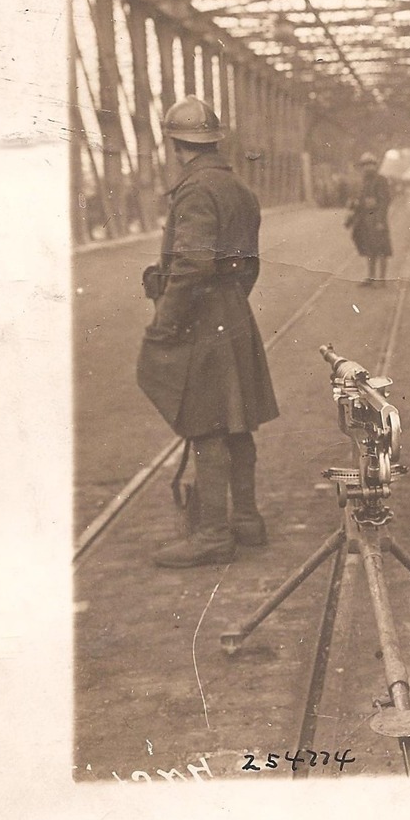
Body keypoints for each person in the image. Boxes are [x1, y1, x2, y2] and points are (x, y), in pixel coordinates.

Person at [137, 96, 280, 568]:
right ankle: (246, 520)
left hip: (201, 320)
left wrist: (166, 322)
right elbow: (250, 265)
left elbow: (193, 263)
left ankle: (215, 536)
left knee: (205, 425)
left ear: (177, 144)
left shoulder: (196, 190)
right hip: (233, 312)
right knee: (236, 423)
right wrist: (230, 298)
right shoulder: (238, 188)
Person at [346, 152, 392, 286]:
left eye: (370, 164)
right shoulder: (364, 181)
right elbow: (361, 199)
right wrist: (355, 205)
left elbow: (385, 201)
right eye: (365, 165)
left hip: (377, 219)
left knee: (382, 249)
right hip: (365, 219)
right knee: (369, 249)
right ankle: (371, 277)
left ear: (375, 166)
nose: (367, 168)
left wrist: (380, 221)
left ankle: (382, 279)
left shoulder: (381, 180)